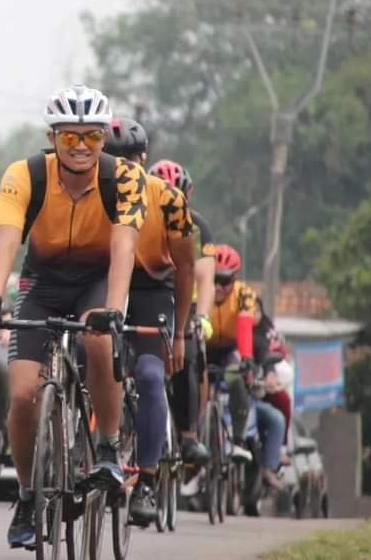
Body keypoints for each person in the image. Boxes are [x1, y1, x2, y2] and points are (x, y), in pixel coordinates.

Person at [0, 84, 148, 549]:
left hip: (97, 280)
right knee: (24, 394)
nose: (79, 147)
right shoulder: (25, 174)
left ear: (102, 141)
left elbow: (124, 249)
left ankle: (108, 445)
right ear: (52, 138)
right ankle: (29, 496)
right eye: (68, 137)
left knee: (97, 340)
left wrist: (112, 310)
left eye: (90, 138)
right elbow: (8, 241)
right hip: (43, 284)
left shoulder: (125, 179)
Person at [104, 118, 196, 524]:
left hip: (151, 290)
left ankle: (146, 479)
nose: (121, 165)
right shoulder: (90, 191)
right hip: (102, 284)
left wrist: (179, 335)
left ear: (144, 160)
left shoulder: (168, 200)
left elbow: (187, 268)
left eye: (130, 158)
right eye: (113, 157)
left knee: (150, 375)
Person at [149, 159, 214, 466]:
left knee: (187, 352)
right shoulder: (137, 214)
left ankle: (188, 435)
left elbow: (204, 275)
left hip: (183, 299)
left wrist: (200, 317)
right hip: (149, 292)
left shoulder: (199, 226)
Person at [207, 243, 286, 486]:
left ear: (235, 279)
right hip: (206, 347)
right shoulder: (199, 291)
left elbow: (246, 329)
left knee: (236, 377)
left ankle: (239, 439)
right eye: (214, 280)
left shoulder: (245, 296)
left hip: (232, 348)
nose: (219, 287)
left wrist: (248, 362)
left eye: (225, 281)